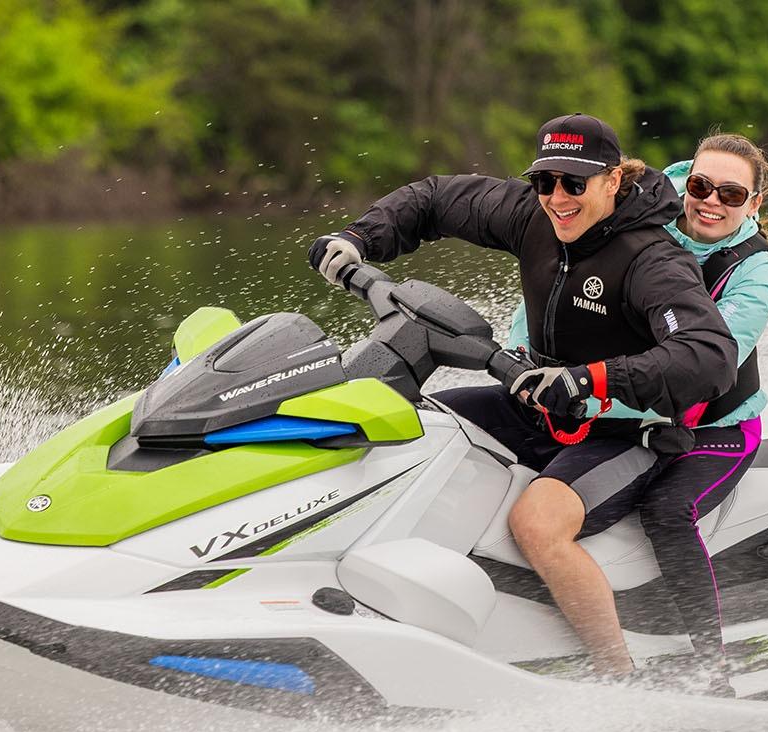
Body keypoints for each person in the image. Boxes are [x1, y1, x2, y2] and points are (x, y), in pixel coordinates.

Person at [308, 114, 740, 676]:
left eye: (574, 183)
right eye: (544, 180)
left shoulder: (653, 261)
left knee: (535, 523)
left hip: (623, 431)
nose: (557, 198)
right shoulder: (532, 217)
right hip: (533, 407)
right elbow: (436, 198)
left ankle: (618, 677)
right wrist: (358, 238)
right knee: (400, 427)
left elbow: (709, 356)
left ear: (613, 180)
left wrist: (591, 378)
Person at [499, 131, 768, 688]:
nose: (710, 201)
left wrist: (583, 390)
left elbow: (699, 369)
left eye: (730, 195)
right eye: (701, 186)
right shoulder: (642, 210)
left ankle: (713, 665)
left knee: (667, 511)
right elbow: (553, 286)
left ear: (752, 204)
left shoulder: (754, 273)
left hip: (713, 428)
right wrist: (525, 358)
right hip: (621, 412)